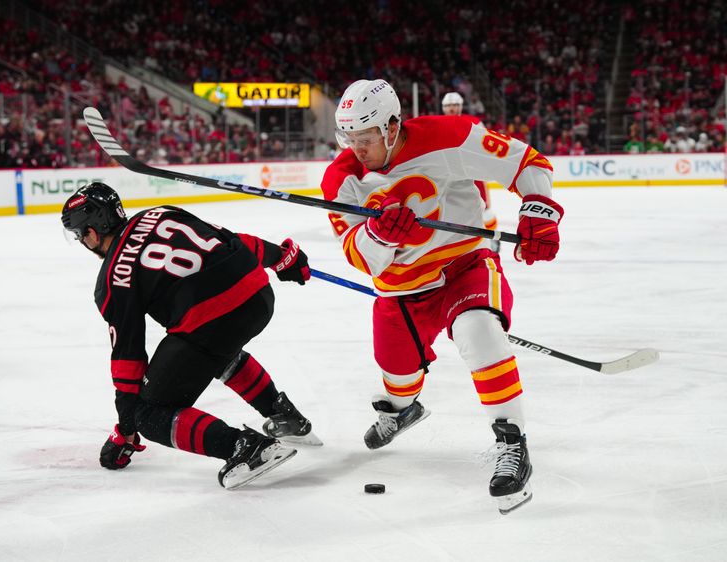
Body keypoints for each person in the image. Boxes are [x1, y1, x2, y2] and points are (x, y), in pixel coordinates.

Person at [322, 79, 563, 514]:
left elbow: (527, 162)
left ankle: (511, 442)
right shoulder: (341, 178)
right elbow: (358, 255)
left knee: (480, 332)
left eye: (366, 138)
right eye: (350, 139)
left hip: (463, 268)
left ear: (392, 127)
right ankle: (401, 410)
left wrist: (538, 211)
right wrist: (378, 236)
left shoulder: (449, 136)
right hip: (400, 289)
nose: (357, 148)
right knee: (396, 375)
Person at [61, 182, 321, 490]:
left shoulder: (112, 279)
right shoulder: (159, 213)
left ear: (90, 232)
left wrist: (128, 426)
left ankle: (245, 447)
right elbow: (230, 240)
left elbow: (127, 358)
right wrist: (280, 257)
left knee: (149, 412)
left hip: (213, 319)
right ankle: (283, 415)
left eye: (80, 235)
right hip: (258, 296)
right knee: (211, 352)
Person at [441, 92, 499, 252]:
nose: (451, 108)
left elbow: (485, 144)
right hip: (450, 174)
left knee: (485, 207)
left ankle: (492, 239)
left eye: (454, 105)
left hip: (474, 172)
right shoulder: (438, 124)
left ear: (460, 106)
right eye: (448, 106)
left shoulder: (474, 122)